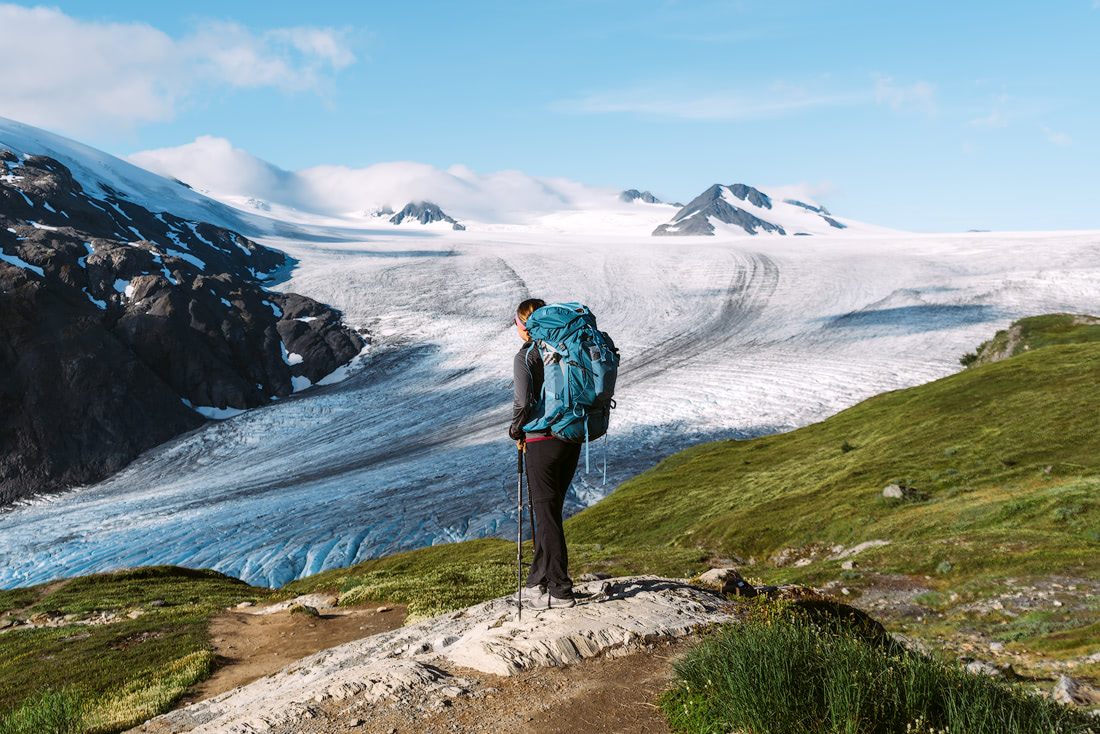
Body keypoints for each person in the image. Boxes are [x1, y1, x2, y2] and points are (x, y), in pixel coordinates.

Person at [510, 298, 581, 608]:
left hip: (541, 439)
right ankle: (537, 580)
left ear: (524, 325)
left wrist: (515, 429)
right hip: (572, 436)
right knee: (549, 511)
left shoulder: (526, 355)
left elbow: (523, 403)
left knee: (546, 513)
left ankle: (560, 589)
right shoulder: (566, 350)